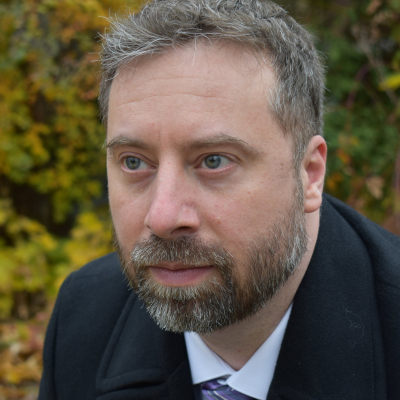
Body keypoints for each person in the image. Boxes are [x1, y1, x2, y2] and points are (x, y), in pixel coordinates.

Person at [38, 0, 400, 399]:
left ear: (309, 173)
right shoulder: (84, 318)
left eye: (214, 161)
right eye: (134, 161)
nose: (162, 217)